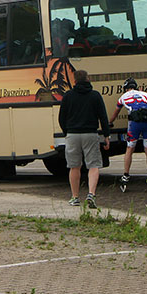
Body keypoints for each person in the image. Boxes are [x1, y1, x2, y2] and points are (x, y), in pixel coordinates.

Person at [58, 70, 110, 208]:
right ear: (88, 79)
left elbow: (61, 117)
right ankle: (91, 194)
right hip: (90, 134)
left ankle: (75, 197)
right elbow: (103, 117)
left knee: (74, 166)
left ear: (74, 81)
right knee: (93, 165)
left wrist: (67, 132)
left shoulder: (68, 96)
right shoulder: (95, 96)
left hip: (72, 134)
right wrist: (106, 135)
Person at [109, 77, 147, 192]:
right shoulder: (145, 94)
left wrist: (109, 123)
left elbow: (115, 113)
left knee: (130, 149)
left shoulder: (124, 96)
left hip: (134, 123)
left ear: (126, 88)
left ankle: (126, 175)